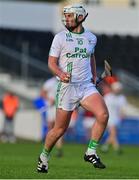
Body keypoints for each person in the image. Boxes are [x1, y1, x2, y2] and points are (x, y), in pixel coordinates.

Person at [37, 4, 109, 173]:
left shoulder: (91, 38)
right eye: (66, 16)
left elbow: (91, 56)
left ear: (81, 17)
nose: (66, 19)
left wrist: (93, 75)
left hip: (85, 86)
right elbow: (51, 63)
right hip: (66, 87)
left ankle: (91, 151)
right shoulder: (60, 38)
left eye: (70, 16)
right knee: (59, 129)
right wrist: (61, 74)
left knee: (103, 114)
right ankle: (44, 157)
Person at [101, 79, 127, 153]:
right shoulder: (107, 97)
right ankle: (117, 148)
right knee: (113, 133)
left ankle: (105, 147)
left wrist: (122, 114)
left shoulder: (122, 98)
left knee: (113, 134)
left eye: (119, 89)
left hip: (117, 118)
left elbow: (122, 108)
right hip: (109, 117)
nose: (118, 90)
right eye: (116, 89)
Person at [43, 77, 63, 157]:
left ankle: (59, 148)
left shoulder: (64, 80)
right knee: (50, 127)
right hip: (51, 107)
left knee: (60, 128)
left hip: (60, 106)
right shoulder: (49, 82)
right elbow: (43, 93)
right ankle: (47, 149)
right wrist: (49, 99)